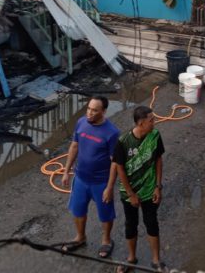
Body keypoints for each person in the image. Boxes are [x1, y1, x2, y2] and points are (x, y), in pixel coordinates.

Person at [60, 96, 120, 257]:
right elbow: (74, 146)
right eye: (88, 109)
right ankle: (80, 238)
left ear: (103, 111)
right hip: (80, 178)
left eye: (94, 110)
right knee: (78, 210)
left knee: (105, 214)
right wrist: (66, 171)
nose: (90, 113)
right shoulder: (81, 123)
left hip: (101, 182)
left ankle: (106, 241)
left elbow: (115, 162)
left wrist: (109, 187)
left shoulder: (112, 133)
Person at [113, 106, 167, 273]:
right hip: (130, 193)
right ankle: (131, 258)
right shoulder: (123, 142)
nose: (154, 122)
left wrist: (158, 187)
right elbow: (119, 169)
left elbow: (158, 160)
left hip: (150, 190)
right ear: (141, 123)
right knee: (131, 224)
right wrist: (131, 194)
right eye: (151, 120)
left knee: (151, 223)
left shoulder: (155, 136)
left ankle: (156, 260)